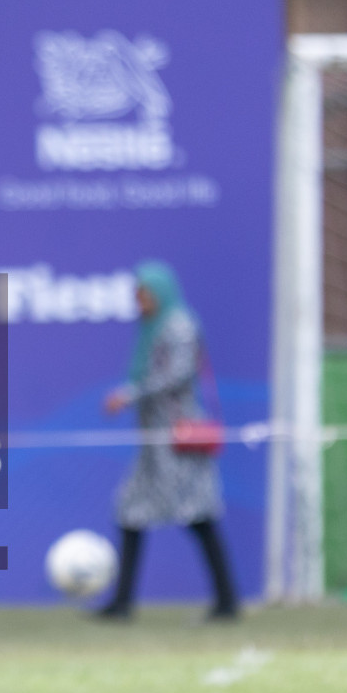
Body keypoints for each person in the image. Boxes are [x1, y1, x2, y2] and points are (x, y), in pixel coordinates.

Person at [100, 263, 239, 623]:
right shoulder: (151, 327)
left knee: (198, 516)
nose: (139, 302)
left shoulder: (179, 324)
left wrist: (131, 394)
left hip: (178, 439)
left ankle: (227, 601)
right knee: (131, 511)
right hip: (153, 443)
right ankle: (122, 603)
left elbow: (179, 374)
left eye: (143, 295)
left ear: (159, 292)